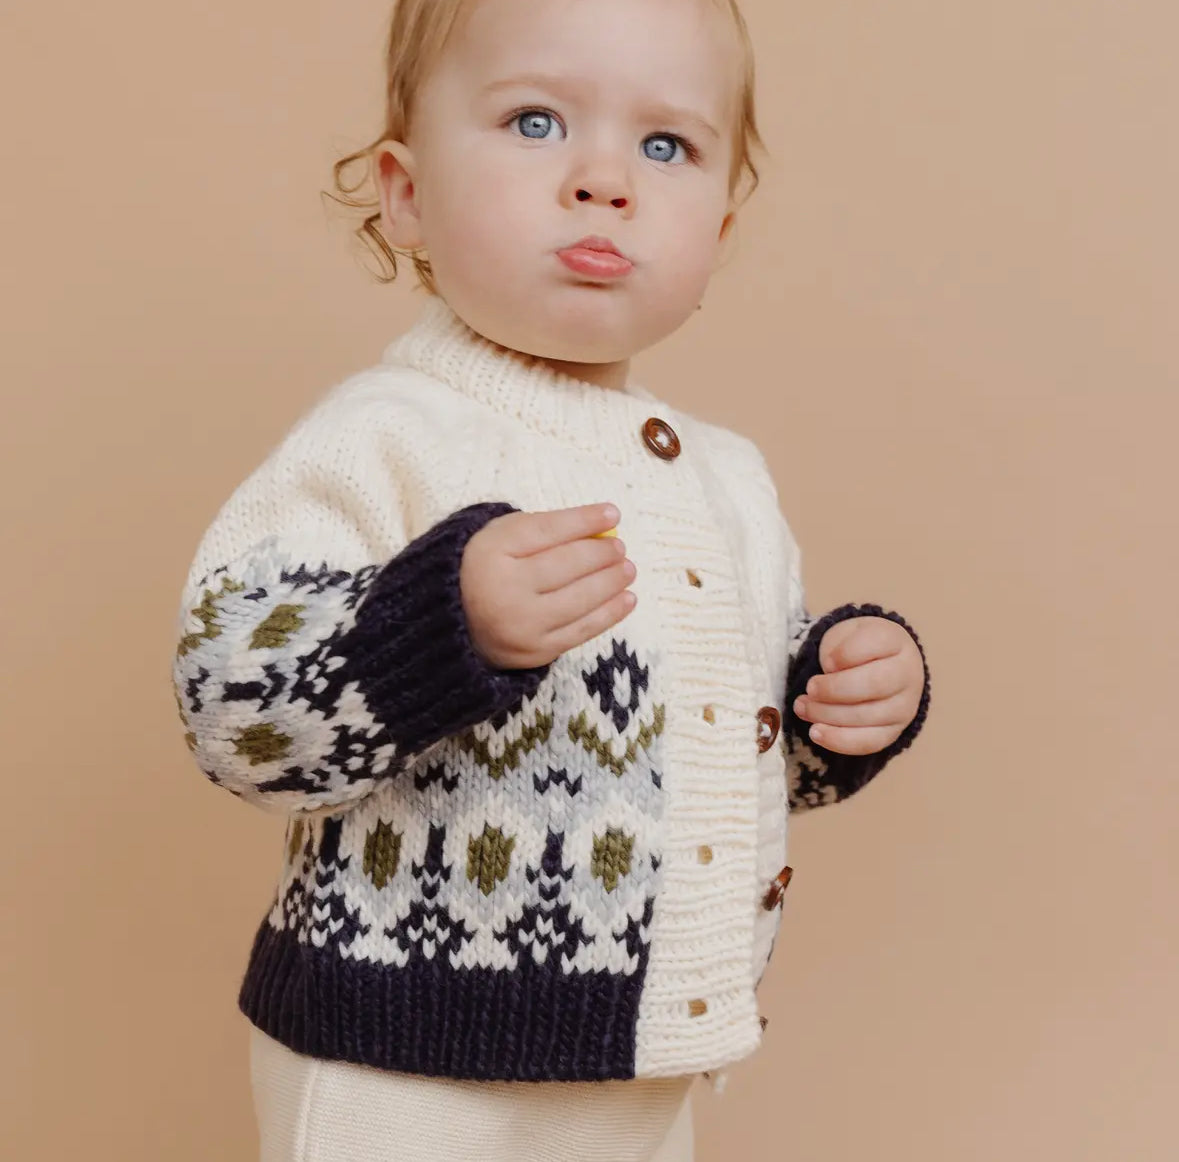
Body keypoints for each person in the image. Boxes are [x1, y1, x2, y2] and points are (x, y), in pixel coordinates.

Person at [171, 0, 932, 1158]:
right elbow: (232, 712)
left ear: (720, 232)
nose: (604, 181)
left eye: (665, 145)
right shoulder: (385, 438)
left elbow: (738, 762)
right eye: (535, 122)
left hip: (638, 1065)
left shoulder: (727, 477)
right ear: (407, 193)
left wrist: (840, 698)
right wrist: (438, 628)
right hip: (401, 1061)